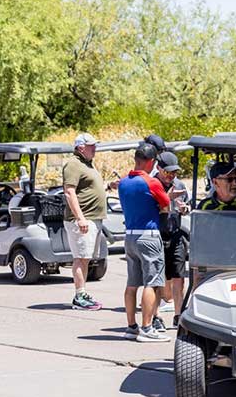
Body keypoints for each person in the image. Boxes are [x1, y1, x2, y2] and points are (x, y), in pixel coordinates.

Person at [118, 143, 171, 343]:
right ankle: (147, 327)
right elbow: (165, 205)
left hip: (130, 235)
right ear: (151, 161)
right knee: (153, 282)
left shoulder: (123, 182)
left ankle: (131, 326)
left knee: (132, 283)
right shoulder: (151, 182)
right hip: (148, 235)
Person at [62, 133, 107, 311]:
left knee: (86, 258)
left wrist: (109, 187)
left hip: (91, 218)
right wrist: (80, 218)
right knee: (81, 258)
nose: (94, 148)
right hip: (82, 218)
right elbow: (69, 192)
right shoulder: (73, 164)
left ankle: (82, 293)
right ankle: (79, 296)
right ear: (80, 147)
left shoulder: (86, 164)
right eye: (91, 146)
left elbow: (88, 188)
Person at [154, 151, 190, 327]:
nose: (171, 176)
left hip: (176, 233)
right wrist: (168, 200)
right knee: (157, 278)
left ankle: (179, 315)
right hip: (157, 235)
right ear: (159, 168)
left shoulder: (179, 185)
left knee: (179, 277)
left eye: (174, 172)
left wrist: (184, 208)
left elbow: (186, 206)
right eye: (167, 172)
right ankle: (156, 315)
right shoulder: (152, 184)